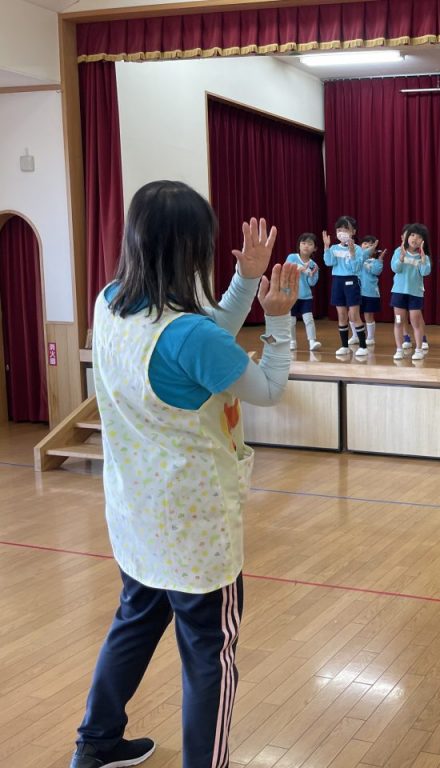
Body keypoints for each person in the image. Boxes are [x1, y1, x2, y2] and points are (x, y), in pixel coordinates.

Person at [70, 180, 298, 768]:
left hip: (136, 516)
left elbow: (202, 342)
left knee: (134, 621)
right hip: (196, 534)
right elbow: (267, 387)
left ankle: (95, 743)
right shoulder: (187, 334)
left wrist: (245, 279)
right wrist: (277, 321)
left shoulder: (110, 301)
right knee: (208, 657)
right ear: (191, 250)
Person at [322, 216, 368, 358]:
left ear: (353, 232)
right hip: (337, 281)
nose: (342, 232)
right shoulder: (334, 248)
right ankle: (344, 346)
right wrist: (326, 247)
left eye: (345, 229)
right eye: (339, 230)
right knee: (341, 315)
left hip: (351, 281)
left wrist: (352, 253)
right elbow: (328, 263)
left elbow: (356, 268)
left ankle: (363, 346)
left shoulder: (358, 249)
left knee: (353, 315)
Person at [389, 223, 432, 360]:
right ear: (406, 236)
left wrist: (423, 259)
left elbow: (425, 272)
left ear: (423, 241)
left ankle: (418, 349)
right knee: (398, 321)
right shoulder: (399, 251)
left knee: (416, 322)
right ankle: (399, 349)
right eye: (412, 235)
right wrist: (401, 258)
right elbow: (395, 268)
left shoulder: (423, 256)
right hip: (399, 293)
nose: (415, 239)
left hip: (415, 295)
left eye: (419, 237)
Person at [284, 233, 321, 351]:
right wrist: (302, 269)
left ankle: (312, 342)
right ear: (299, 246)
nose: (306, 246)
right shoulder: (292, 257)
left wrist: (312, 274)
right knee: (291, 320)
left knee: (308, 319)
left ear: (314, 248)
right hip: (291, 295)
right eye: (303, 243)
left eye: (310, 244)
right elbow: (287, 268)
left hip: (306, 296)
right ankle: (292, 341)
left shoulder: (314, 265)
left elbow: (312, 283)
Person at [358, 234, 383, 347]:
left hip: (370, 293)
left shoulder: (375, 261)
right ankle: (355, 336)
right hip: (356, 291)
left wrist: (380, 261)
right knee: (353, 314)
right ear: (360, 246)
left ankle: (370, 337)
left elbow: (376, 271)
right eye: (365, 243)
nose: (368, 246)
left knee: (368, 315)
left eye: (371, 245)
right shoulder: (356, 258)